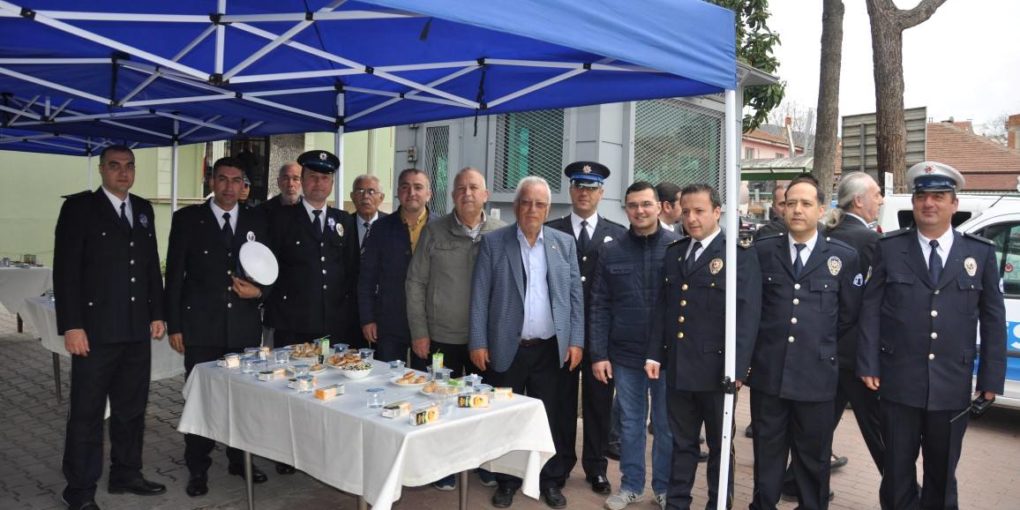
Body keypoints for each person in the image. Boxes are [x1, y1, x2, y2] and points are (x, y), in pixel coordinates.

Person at [858, 161, 1006, 510]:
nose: (929, 203)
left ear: (954, 204)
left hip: (951, 385)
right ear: (913, 203)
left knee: (942, 474)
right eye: (922, 196)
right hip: (898, 383)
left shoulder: (980, 253)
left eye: (939, 196)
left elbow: (993, 319)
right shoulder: (890, 248)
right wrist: (868, 363)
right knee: (897, 472)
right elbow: (871, 309)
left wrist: (990, 379)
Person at [54, 145, 167, 510]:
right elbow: (66, 271)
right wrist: (72, 325)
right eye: (115, 166)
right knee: (86, 413)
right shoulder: (80, 209)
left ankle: (126, 473)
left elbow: (150, 266)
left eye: (129, 166)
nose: (123, 172)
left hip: (135, 330)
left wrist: (157, 312)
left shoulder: (143, 209)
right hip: (96, 331)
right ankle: (79, 490)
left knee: (131, 409)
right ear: (102, 169)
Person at [469, 176, 584, 509]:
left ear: (547, 210)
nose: (532, 209)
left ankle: (550, 480)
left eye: (539, 204)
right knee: (508, 418)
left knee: (551, 417)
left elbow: (575, 296)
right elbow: (479, 296)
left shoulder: (563, 243)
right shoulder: (494, 242)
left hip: (550, 348)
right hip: (508, 348)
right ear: (516, 205)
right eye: (526, 202)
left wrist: (576, 340)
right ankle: (507, 481)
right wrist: (478, 341)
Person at [748, 175, 862, 510]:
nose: (797, 210)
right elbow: (752, 310)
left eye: (806, 203)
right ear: (782, 208)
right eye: (790, 203)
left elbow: (848, 315)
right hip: (770, 374)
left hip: (816, 376)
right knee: (767, 453)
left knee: (813, 457)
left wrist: (819, 347)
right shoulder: (762, 252)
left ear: (821, 209)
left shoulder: (842, 256)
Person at [647, 183, 761, 510]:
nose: (692, 218)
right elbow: (663, 308)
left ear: (717, 212)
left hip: (717, 372)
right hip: (680, 369)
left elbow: (748, 314)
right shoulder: (676, 252)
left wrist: (738, 369)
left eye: (699, 211)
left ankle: (718, 504)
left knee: (720, 446)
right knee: (681, 444)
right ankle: (677, 503)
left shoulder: (738, 254)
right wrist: (655, 353)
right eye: (686, 212)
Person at [164, 158, 271, 496]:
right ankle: (198, 467)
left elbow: (273, 272)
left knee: (242, 399)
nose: (228, 187)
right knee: (202, 399)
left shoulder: (257, 220)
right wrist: (175, 325)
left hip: (242, 327)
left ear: (244, 186)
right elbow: (175, 275)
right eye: (222, 179)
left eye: (236, 180)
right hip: (201, 327)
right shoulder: (187, 219)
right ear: (211, 181)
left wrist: (260, 293)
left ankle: (240, 460)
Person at [405, 167, 505, 491]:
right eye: (461, 188)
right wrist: (419, 331)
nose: (467, 193)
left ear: (486, 194)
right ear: (452, 196)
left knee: (482, 403)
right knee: (441, 404)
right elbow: (415, 282)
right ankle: (442, 466)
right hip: (440, 337)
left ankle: (484, 462)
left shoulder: (501, 232)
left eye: (474, 187)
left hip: (484, 340)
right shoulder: (434, 231)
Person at [589, 181, 678, 510]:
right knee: (630, 423)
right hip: (625, 355)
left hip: (667, 356)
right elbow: (599, 305)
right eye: (633, 205)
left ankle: (664, 488)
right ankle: (631, 485)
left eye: (646, 204)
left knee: (666, 425)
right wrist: (598, 354)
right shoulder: (611, 250)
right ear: (626, 209)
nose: (640, 211)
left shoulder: (676, 247)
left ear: (659, 207)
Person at [545, 161, 626, 496]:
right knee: (561, 403)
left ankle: (596, 467)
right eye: (579, 186)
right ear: (570, 190)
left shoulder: (618, 234)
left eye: (591, 188)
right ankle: (560, 464)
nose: (584, 193)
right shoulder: (551, 230)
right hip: (561, 335)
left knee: (598, 404)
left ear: (601, 193)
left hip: (600, 338)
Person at [358, 168, 434, 367]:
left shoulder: (441, 228)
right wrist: (367, 318)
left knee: (426, 381)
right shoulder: (380, 228)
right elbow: (366, 278)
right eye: (405, 187)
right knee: (387, 378)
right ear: (398, 192)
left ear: (429, 193)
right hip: (389, 321)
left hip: (430, 323)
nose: (411, 193)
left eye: (418, 187)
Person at [348, 174, 387, 249]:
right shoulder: (345, 224)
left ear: (381, 198)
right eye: (360, 191)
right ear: (352, 196)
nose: (365, 196)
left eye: (371, 192)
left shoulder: (391, 225)